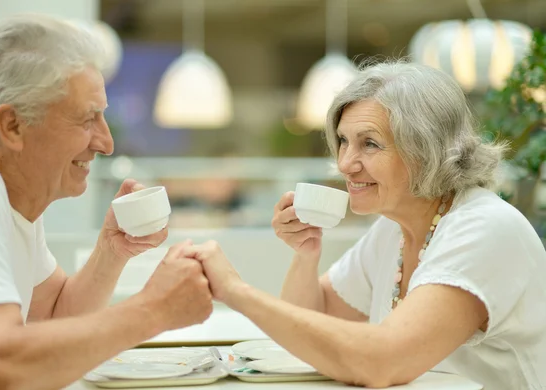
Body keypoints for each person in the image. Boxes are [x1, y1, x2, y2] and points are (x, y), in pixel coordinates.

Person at [184, 62, 546, 389]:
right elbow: (312, 325)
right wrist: (306, 253)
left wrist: (235, 291)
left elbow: (382, 363)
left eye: (369, 144)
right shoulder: (393, 229)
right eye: (343, 141)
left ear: (426, 149)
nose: (345, 163)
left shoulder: (483, 229)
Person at [0, 14, 213, 390]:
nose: (106, 143)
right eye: (88, 119)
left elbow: (54, 316)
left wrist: (111, 250)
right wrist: (154, 310)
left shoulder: (10, 204)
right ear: (13, 126)